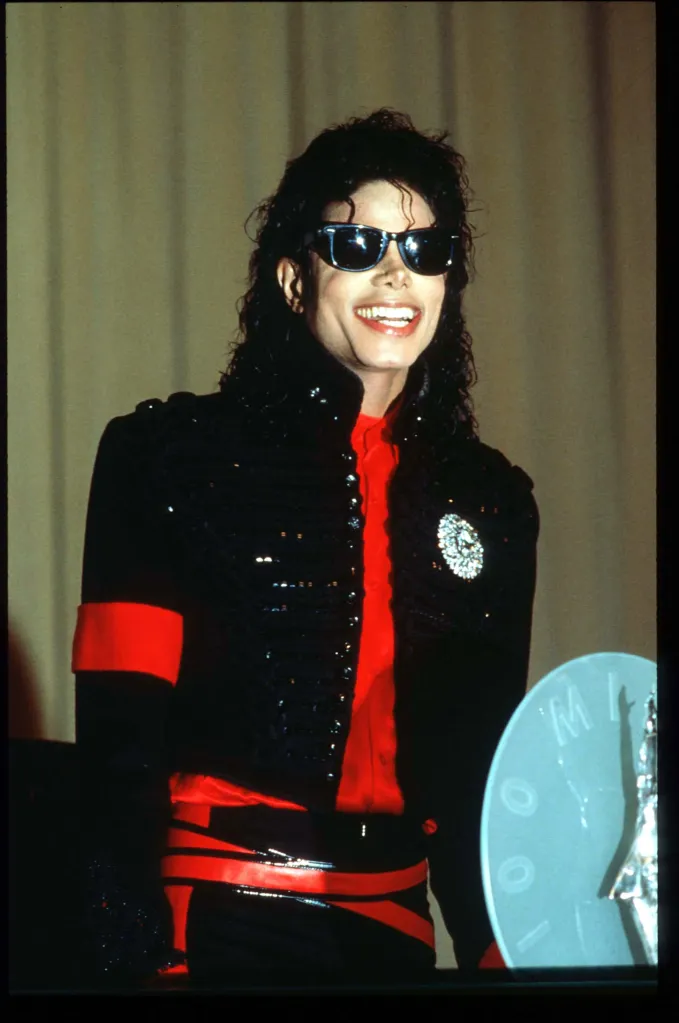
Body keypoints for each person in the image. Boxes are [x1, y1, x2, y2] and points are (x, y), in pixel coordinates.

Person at [73, 108, 539, 988]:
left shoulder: (493, 501)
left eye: (424, 251)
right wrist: (131, 958)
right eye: (355, 246)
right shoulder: (169, 458)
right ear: (294, 280)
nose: (394, 275)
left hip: (395, 932)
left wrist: (494, 953)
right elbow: (118, 747)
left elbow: (479, 776)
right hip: (218, 917)